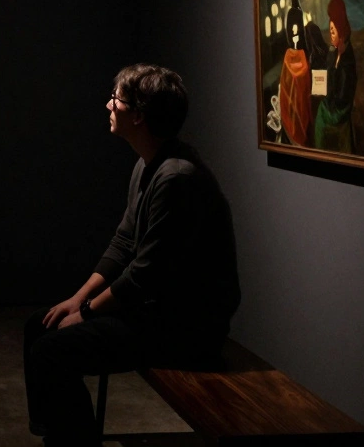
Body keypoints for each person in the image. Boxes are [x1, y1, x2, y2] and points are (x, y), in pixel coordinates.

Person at [23, 64, 240, 446]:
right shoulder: (148, 164)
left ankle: (73, 442)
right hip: (155, 311)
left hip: (185, 328)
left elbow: (145, 275)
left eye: (117, 99)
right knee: (40, 327)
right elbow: (124, 242)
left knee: (51, 353)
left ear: (138, 115)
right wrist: (77, 299)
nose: (108, 104)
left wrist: (87, 313)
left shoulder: (176, 178)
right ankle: (63, 437)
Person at [313, 0, 356, 153]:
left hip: (340, 110)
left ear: (341, 30)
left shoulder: (347, 59)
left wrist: (327, 91)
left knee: (321, 118)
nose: (330, 34)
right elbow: (327, 72)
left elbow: (344, 94)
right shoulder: (333, 51)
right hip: (329, 104)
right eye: (329, 30)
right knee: (319, 118)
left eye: (333, 30)